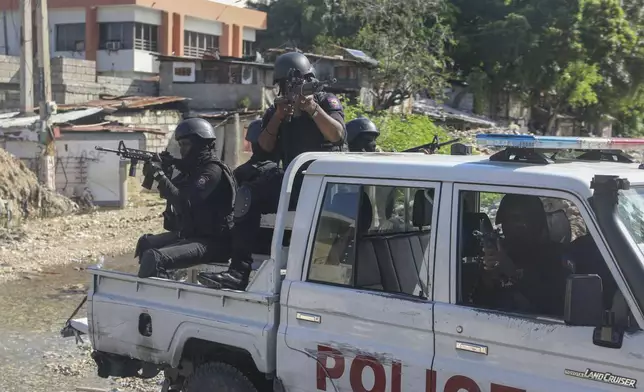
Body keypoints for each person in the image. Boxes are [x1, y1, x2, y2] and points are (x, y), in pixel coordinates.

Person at [203, 51, 347, 290]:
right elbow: (263, 149)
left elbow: (337, 134)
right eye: (286, 85)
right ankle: (239, 271)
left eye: (297, 84)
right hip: (294, 181)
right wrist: (278, 118)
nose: (292, 90)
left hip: (326, 184)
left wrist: (312, 109)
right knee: (247, 194)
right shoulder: (278, 110)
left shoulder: (325, 101)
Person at [135, 117, 237, 279]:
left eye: (186, 145)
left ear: (201, 144)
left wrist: (160, 176)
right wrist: (165, 171)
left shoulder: (211, 171)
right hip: (191, 234)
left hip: (213, 242)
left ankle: (156, 297)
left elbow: (184, 201)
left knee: (154, 257)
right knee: (145, 243)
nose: (182, 150)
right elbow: (173, 193)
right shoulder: (192, 171)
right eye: (180, 145)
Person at [474, 194, 571, 317]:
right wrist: (489, 275)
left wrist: (512, 272)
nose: (510, 227)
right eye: (506, 221)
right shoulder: (501, 251)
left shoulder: (555, 257)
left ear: (536, 223)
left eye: (517, 220)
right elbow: (476, 307)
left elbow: (551, 309)